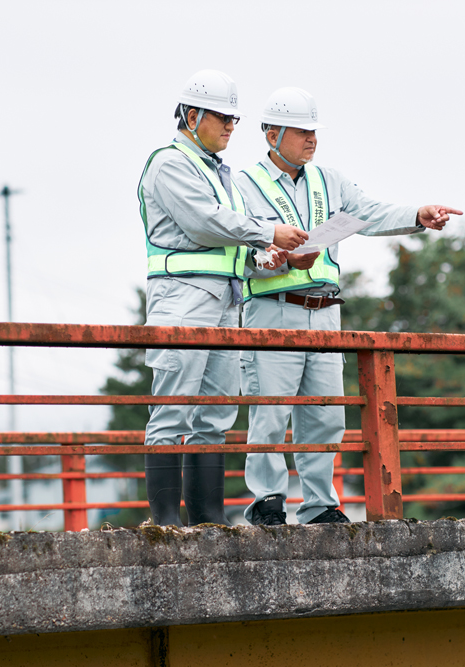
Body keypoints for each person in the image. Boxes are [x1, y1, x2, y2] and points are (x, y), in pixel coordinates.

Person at [234, 87, 462, 526]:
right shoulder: (244, 185)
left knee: (324, 415)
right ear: (271, 133)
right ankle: (267, 502)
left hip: (325, 309)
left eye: (314, 131)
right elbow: (239, 254)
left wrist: (418, 213)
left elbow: (370, 212)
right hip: (272, 305)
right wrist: (278, 259)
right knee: (270, 410)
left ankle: (320, 505)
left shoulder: (329, 179)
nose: (311, 139)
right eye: (301, 131)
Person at [136, 70, 304, 527]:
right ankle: (166, 523)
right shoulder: (169, 162)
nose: (231, 126)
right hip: (181, 300)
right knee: (173, 409)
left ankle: (208, 521)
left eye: (234, 119)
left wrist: (272, 259)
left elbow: (230, 245)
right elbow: (203, 223)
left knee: (216, 414)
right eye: (222, 118)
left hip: (226, 303)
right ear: (192, 116)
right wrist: (269, 231)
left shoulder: (218, 172)